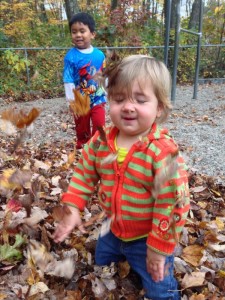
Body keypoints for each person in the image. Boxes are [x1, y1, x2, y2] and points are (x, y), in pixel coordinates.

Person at [53, 55, 190, 300]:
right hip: (113, 226)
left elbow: (173, 205)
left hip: (149, 237)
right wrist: (73, 207)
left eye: (140, 100)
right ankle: (110, 268)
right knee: (103, 255)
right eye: (118, 99)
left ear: (159, 107)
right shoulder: (102, 140)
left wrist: (159, 248)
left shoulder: (163, 153)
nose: (127, 106)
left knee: (159, 284)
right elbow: (84, 174)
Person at [63, 12, 107, 149]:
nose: (78, 35)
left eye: (82, 31)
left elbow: (104, 74)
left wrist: (108, 90)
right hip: (80, 100)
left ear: (92, 34)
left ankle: (96, 146)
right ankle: (83, 146)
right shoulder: (70, 57)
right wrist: (71, 101)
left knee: (99, 123)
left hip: (98, 97)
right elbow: (68, 80)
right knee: (81, 127)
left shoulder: (99, 55)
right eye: (74, 32)